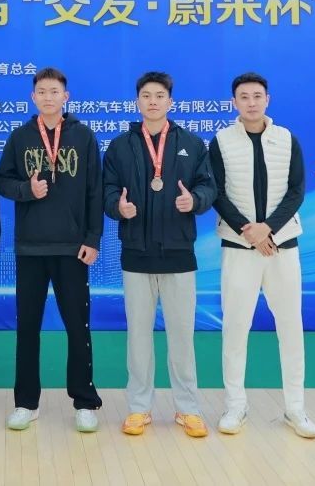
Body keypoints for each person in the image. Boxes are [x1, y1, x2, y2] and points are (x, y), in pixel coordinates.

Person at [103, 71, 216, 438]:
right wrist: (118, 208)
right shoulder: (121, 146)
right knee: (138, 338)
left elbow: (208, 186)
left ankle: (188, 408)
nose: (152, 101)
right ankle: (139, 408)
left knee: (182, 337)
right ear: (137, 101)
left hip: (179, 254)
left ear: (170, 101)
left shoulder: (192, 144)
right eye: (146, 95)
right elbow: (107, 190)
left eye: (159, 95)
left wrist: (194, 200)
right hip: (136, 255)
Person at [208, 72, 315, 439]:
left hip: (282, 246)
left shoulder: (286, 139)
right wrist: (248, 231)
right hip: (239, 246)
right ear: (234, 102)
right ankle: (235, 405)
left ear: (267, 100)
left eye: (257, 96)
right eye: (244, 96)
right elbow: (217, 193)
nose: (251, 102)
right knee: (235, 327)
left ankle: (295, 407)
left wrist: (267, 228)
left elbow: (297, 190)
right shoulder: (221, 141)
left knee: (290, 327)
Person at [0, 67, 103, 433]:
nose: (48, 97)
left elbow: (95, 190)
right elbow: (2, 181)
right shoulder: (20, 136)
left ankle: (85, 402)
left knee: (78, 328)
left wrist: (93, 239)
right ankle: (26, 403)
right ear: (33, 97)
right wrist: (26, 190)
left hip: (73, 248)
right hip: (31, 248)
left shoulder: (84, 136)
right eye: (41, 91)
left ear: (65, 96)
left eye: (54, 91)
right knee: (27, 329)